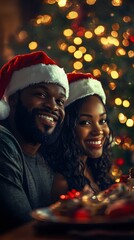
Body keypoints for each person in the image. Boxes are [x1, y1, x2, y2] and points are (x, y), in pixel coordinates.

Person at [0, 51, 69, 233]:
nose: (53, 106)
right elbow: (24, 227)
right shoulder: (2, 141)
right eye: (41, 94)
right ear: (13, 99)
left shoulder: (44, 157)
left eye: (60, 101)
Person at [46, 72, 114, 201]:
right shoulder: (62, 182)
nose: (98, 131)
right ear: (66, 126)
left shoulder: (95, 168)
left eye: (102, 121)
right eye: (85, 122)